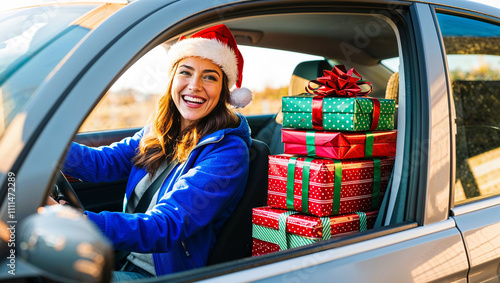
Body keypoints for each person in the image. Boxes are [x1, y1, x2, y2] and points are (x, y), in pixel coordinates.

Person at [58, 24, 253, 281]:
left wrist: (81, 222)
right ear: (173, 78)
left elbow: (166, 225)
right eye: (186, 72)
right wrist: (46, 148)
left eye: (210, 77)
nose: (194, 85)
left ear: (224, 90)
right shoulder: (160, 129)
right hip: (122, 256)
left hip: (162, 275)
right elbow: (103, 163)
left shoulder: (228, 152)